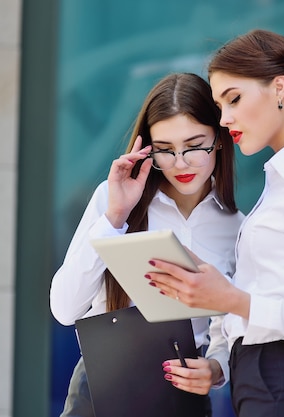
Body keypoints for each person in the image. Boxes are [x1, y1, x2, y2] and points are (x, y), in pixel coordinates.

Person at [146, 29, 284, 417]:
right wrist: (218, 358)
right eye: (220, 105)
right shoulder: (283, 181)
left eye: (235, 99)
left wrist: (230, 299)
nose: (225, 119)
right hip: (259, 382)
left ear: (279, 88)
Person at [49, 73, 244, 417]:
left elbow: (231, 324)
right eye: (165, 150)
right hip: (101, 388)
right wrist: (115, 217)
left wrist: (216, 368)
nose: (180, 162)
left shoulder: (236, 226)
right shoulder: (115, 201)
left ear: (219, 140)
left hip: (181, 394)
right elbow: (65, 309)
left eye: (195, 145)